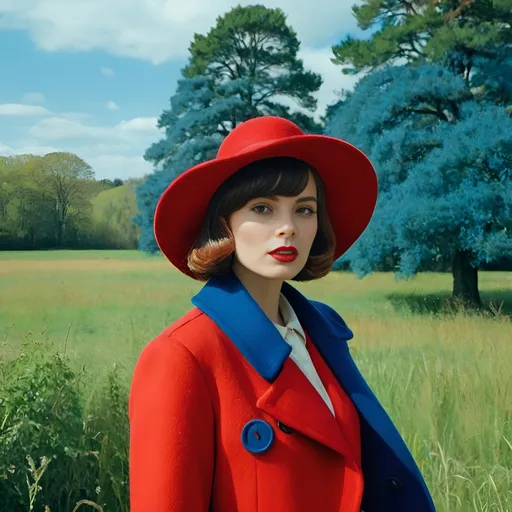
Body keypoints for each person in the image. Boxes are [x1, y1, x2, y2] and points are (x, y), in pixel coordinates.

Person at [128, 116, 436, 511]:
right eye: (263, 208)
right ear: (226, 223)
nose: (288, 228)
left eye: (304, 210)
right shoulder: (182, 356)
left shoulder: (321, 333)